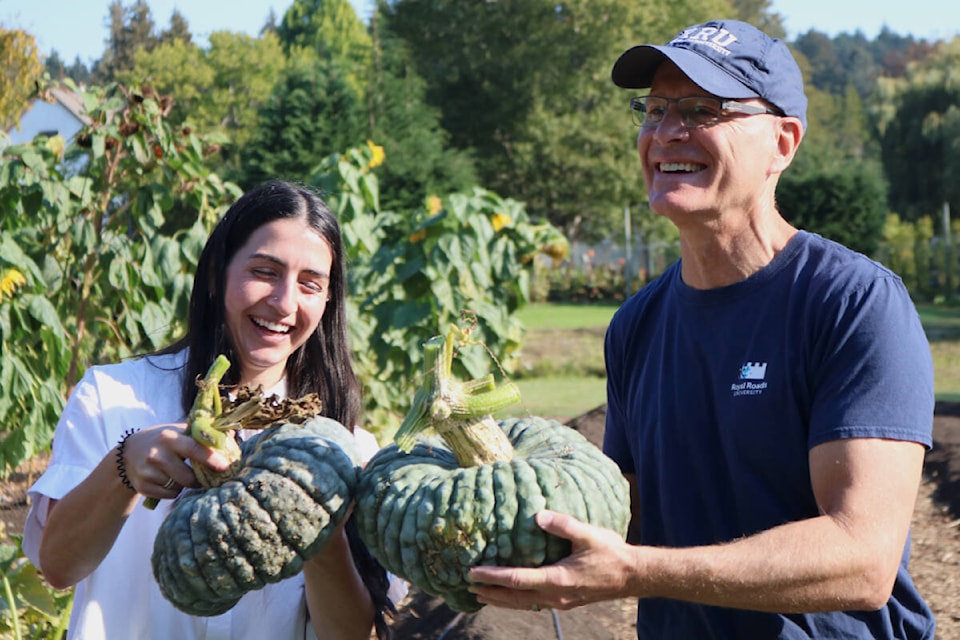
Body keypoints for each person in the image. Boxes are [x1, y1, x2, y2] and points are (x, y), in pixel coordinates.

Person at [468, 19, 937, 639]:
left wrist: (637, 572)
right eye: (655, 108)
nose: (664, 132)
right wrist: (485, 490)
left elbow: (862, 560)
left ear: (783, 143)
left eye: (702, 109)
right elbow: (623, 518)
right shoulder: (637, 326)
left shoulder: (852, 304)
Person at [23, 179, 398, 639]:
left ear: (327, 300)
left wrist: (319, 524)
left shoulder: (346, 450)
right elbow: (58, 567)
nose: (284, 303)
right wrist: (122, 468)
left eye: (309, 284)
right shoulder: (113, 397)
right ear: (219, 272)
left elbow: (351, 635)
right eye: (264, 271)